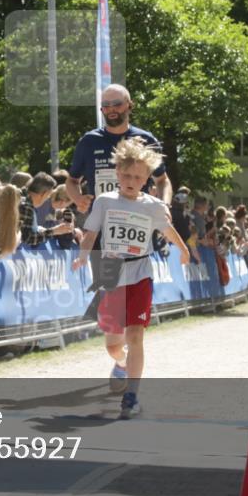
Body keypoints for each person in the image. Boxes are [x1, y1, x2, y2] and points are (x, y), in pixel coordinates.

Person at [72, 137, 189, 419]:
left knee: (136, 335)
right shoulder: (104, 202)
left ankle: (132, 396)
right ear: (117, 173)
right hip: (111, 275)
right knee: (113, 344)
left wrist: (183, 250)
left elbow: (167, 230)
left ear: (147, 178)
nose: (131, 180)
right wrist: (84, 255)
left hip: (139, 273)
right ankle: (121, 363)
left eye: (137, 176)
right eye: (126, 175)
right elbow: (90, 233)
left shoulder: (152, 206)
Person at [66, 84, 172, 212]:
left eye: (117, 104)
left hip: (139, 220)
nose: (111, 109)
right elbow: (72, 181)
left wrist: (165, 206)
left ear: (129, 104)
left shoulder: (146, 140)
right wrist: (78, 199)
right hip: (101, 223)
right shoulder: (89, 141)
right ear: (101, 109)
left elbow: (162, 180)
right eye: (106, 105)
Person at [19, 172, 73, 247]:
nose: (47, 199)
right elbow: (28, 239)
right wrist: (54, 231)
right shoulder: (26, 206)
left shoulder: (23, 199)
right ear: (43, 194)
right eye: (48, 196)